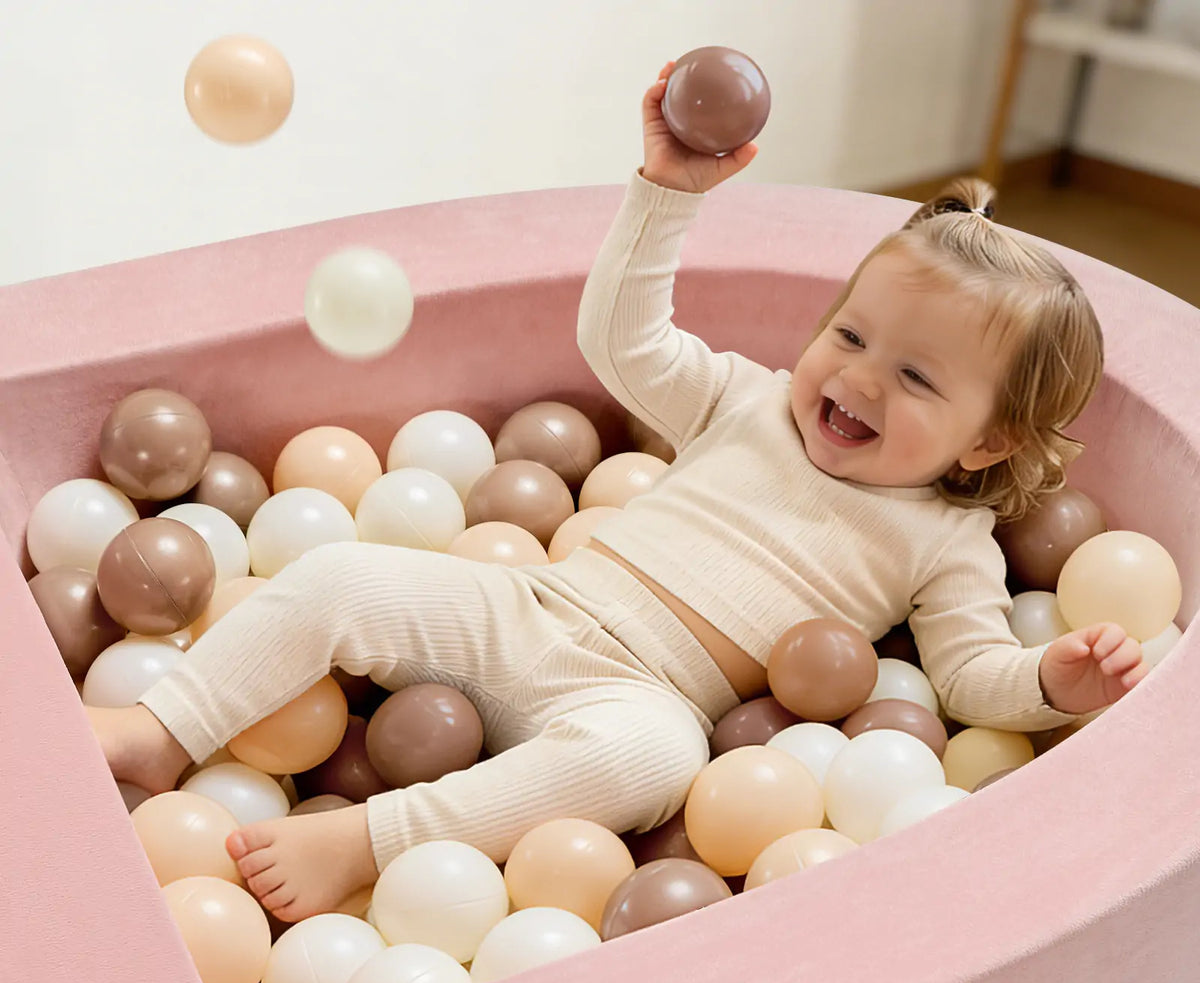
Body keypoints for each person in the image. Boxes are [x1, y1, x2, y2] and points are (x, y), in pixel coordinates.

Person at [88, 62, 1145, 922]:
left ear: (988, 441)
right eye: (850, 334)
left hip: (640, 695)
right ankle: (161, 726)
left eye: (915, 378)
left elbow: (966, 677)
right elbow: (623, 341)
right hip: (533, 607)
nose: (858, 377)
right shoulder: (751, 402)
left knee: (658, 759)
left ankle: (368, 841)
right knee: (336, 575)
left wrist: (1052, 681)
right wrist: (666, 195)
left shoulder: (946, 540)